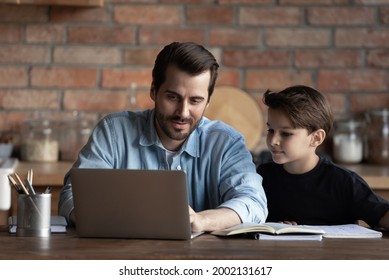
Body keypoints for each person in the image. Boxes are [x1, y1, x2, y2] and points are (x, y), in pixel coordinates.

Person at [58, 42, 268, 233]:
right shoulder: (113, 131)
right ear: (153, 91)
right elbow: (72, 195)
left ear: (208, 102)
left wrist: (201, 220)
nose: (183, 112)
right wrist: (104, 218)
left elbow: (253, 202)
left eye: (195, 100)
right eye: (172, 97)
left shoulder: (227, 143)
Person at [257, 85, 389, 230]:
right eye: (271, 130)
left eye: (286, 133)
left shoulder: (344, 182)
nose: (272, 140)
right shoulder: (261, 176)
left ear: (316, 138)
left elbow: (383, 215)